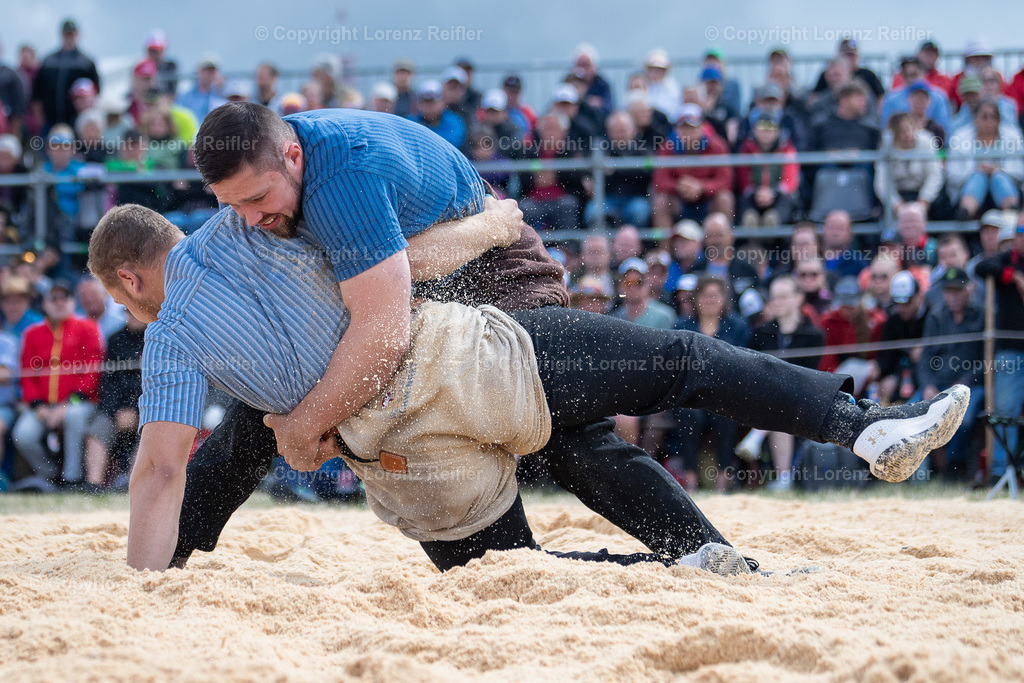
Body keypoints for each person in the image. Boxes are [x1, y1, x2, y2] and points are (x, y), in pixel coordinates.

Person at [89, 204, 969, 574]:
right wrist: (490, 223)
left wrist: (155, 570)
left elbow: (172, 473)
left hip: (405, 461)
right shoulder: (257, 231)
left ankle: (693, 565)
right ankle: (858, 427)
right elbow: (402, 272)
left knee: (519, 572)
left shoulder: (179, 334)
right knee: (683, 364)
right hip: (464, 366)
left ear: (128, 281)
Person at [12, 280, 103, 489]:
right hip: (42, 406)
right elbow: (27, 376)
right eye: (54, 298)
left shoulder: (88, 328)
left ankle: (72, 478)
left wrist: (67, 405)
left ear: (73, 302)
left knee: (73, 417)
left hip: (78, 403)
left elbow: (92, 373)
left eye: (65, 298)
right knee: (23, 434)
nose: (59, 303)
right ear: (45, 304)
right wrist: (39, 407)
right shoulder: (32, 333)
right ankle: (49, 476)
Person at [669, 276, 751, 492]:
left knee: (726, 412)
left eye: (715, 295)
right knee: (688, 414)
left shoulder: (737, 326)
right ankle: (690, 479)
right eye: (705, 295)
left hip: (725, 392)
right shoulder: (682, 326)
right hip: (690, 394)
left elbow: (743, 365)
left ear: (724, 299)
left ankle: (724, 478)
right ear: (696, 299)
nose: (710, 300)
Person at [747, 275, 826, 490]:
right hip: (765, 396)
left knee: (782, 406)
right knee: (779, 408)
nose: (777, 302)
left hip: (803, 396)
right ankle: (783, 478)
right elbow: (755, 370)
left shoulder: (813, 335)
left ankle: (756, 436)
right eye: (774, 297)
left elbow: (809, 373)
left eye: (783, 296)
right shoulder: (761, 332)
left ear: (799, 298)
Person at [916, 267, 986, 482]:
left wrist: (962, 384)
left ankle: (954, 468)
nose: (953, 295)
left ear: (970, 290)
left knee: (963, 421)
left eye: (958, 290)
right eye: (949, 291)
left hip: (969, 385)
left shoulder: (983, 317)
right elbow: (925, 357)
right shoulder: (935, 316)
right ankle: (923, 470)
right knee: (911, 412)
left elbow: (986, 362)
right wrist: (927, 384)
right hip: (936, 384)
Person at [974, 222, 1024, 481]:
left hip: (1012, 349)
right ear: (1015, 236)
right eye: (1022, 232)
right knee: (1005, 412)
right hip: (1011, 351)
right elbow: (981, 267)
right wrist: (1012, 276)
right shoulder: (1006, 260)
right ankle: (1001, 472)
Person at [651, 104, 734, 226]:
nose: (688, 133)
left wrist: (701, 187)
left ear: (702, 127)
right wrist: (680, 186)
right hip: (679, 199)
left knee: (725, 199)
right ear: (677, 130)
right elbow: (659, 181)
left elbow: (726, 180)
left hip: (708, 199)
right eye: (684, 128)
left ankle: (722, 243)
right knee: (660, 201)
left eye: (692, 128)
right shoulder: (667, 146)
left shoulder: (717, 145)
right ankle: (664, 245)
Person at [947, 100, 1024, 221]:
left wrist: (1000, 169)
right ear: (975, 118)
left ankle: (1011, 213)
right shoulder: (959, 137)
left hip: (1007, 183)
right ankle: (966, 212)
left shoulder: (1013, 136)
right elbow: (952, 174)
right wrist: (975, 170)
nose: (989, 121)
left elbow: (1020, 171)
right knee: (979, 177)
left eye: (993, 116)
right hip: (966, 186)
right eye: (984, 117)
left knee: (998, 177)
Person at [31, 19, 100, 129]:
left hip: (78, 122)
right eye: (66, 33)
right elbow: (37, 93)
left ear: (77, 34)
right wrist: (39, 116)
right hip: (50, 121)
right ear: (61, 35)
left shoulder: (86, 63)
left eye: (71, 34)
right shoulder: (48, 61)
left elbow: (96, 92)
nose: (69, 37)